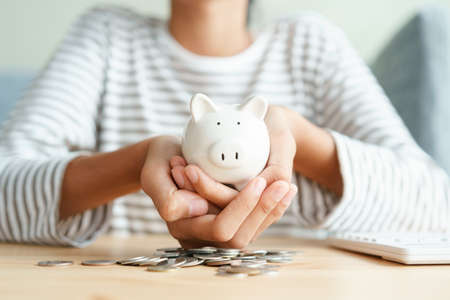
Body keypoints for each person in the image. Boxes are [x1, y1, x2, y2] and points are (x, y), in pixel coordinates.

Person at [0, 0, 448, 248]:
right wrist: (136, 162)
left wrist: (301, 141)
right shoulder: (104, 37)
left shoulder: (310, 46)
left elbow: (436, 205)